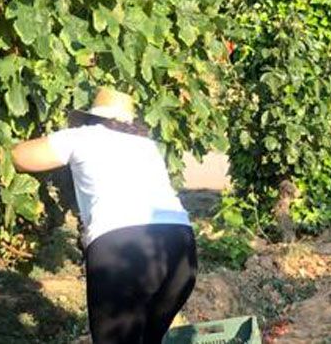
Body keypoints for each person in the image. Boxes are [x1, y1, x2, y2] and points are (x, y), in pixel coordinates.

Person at [11, 88, 197, 344]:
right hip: (180, 251)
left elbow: (20, 157)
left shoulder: (83, 137)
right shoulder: (147, 145)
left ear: (91, 118)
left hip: (124, 251)